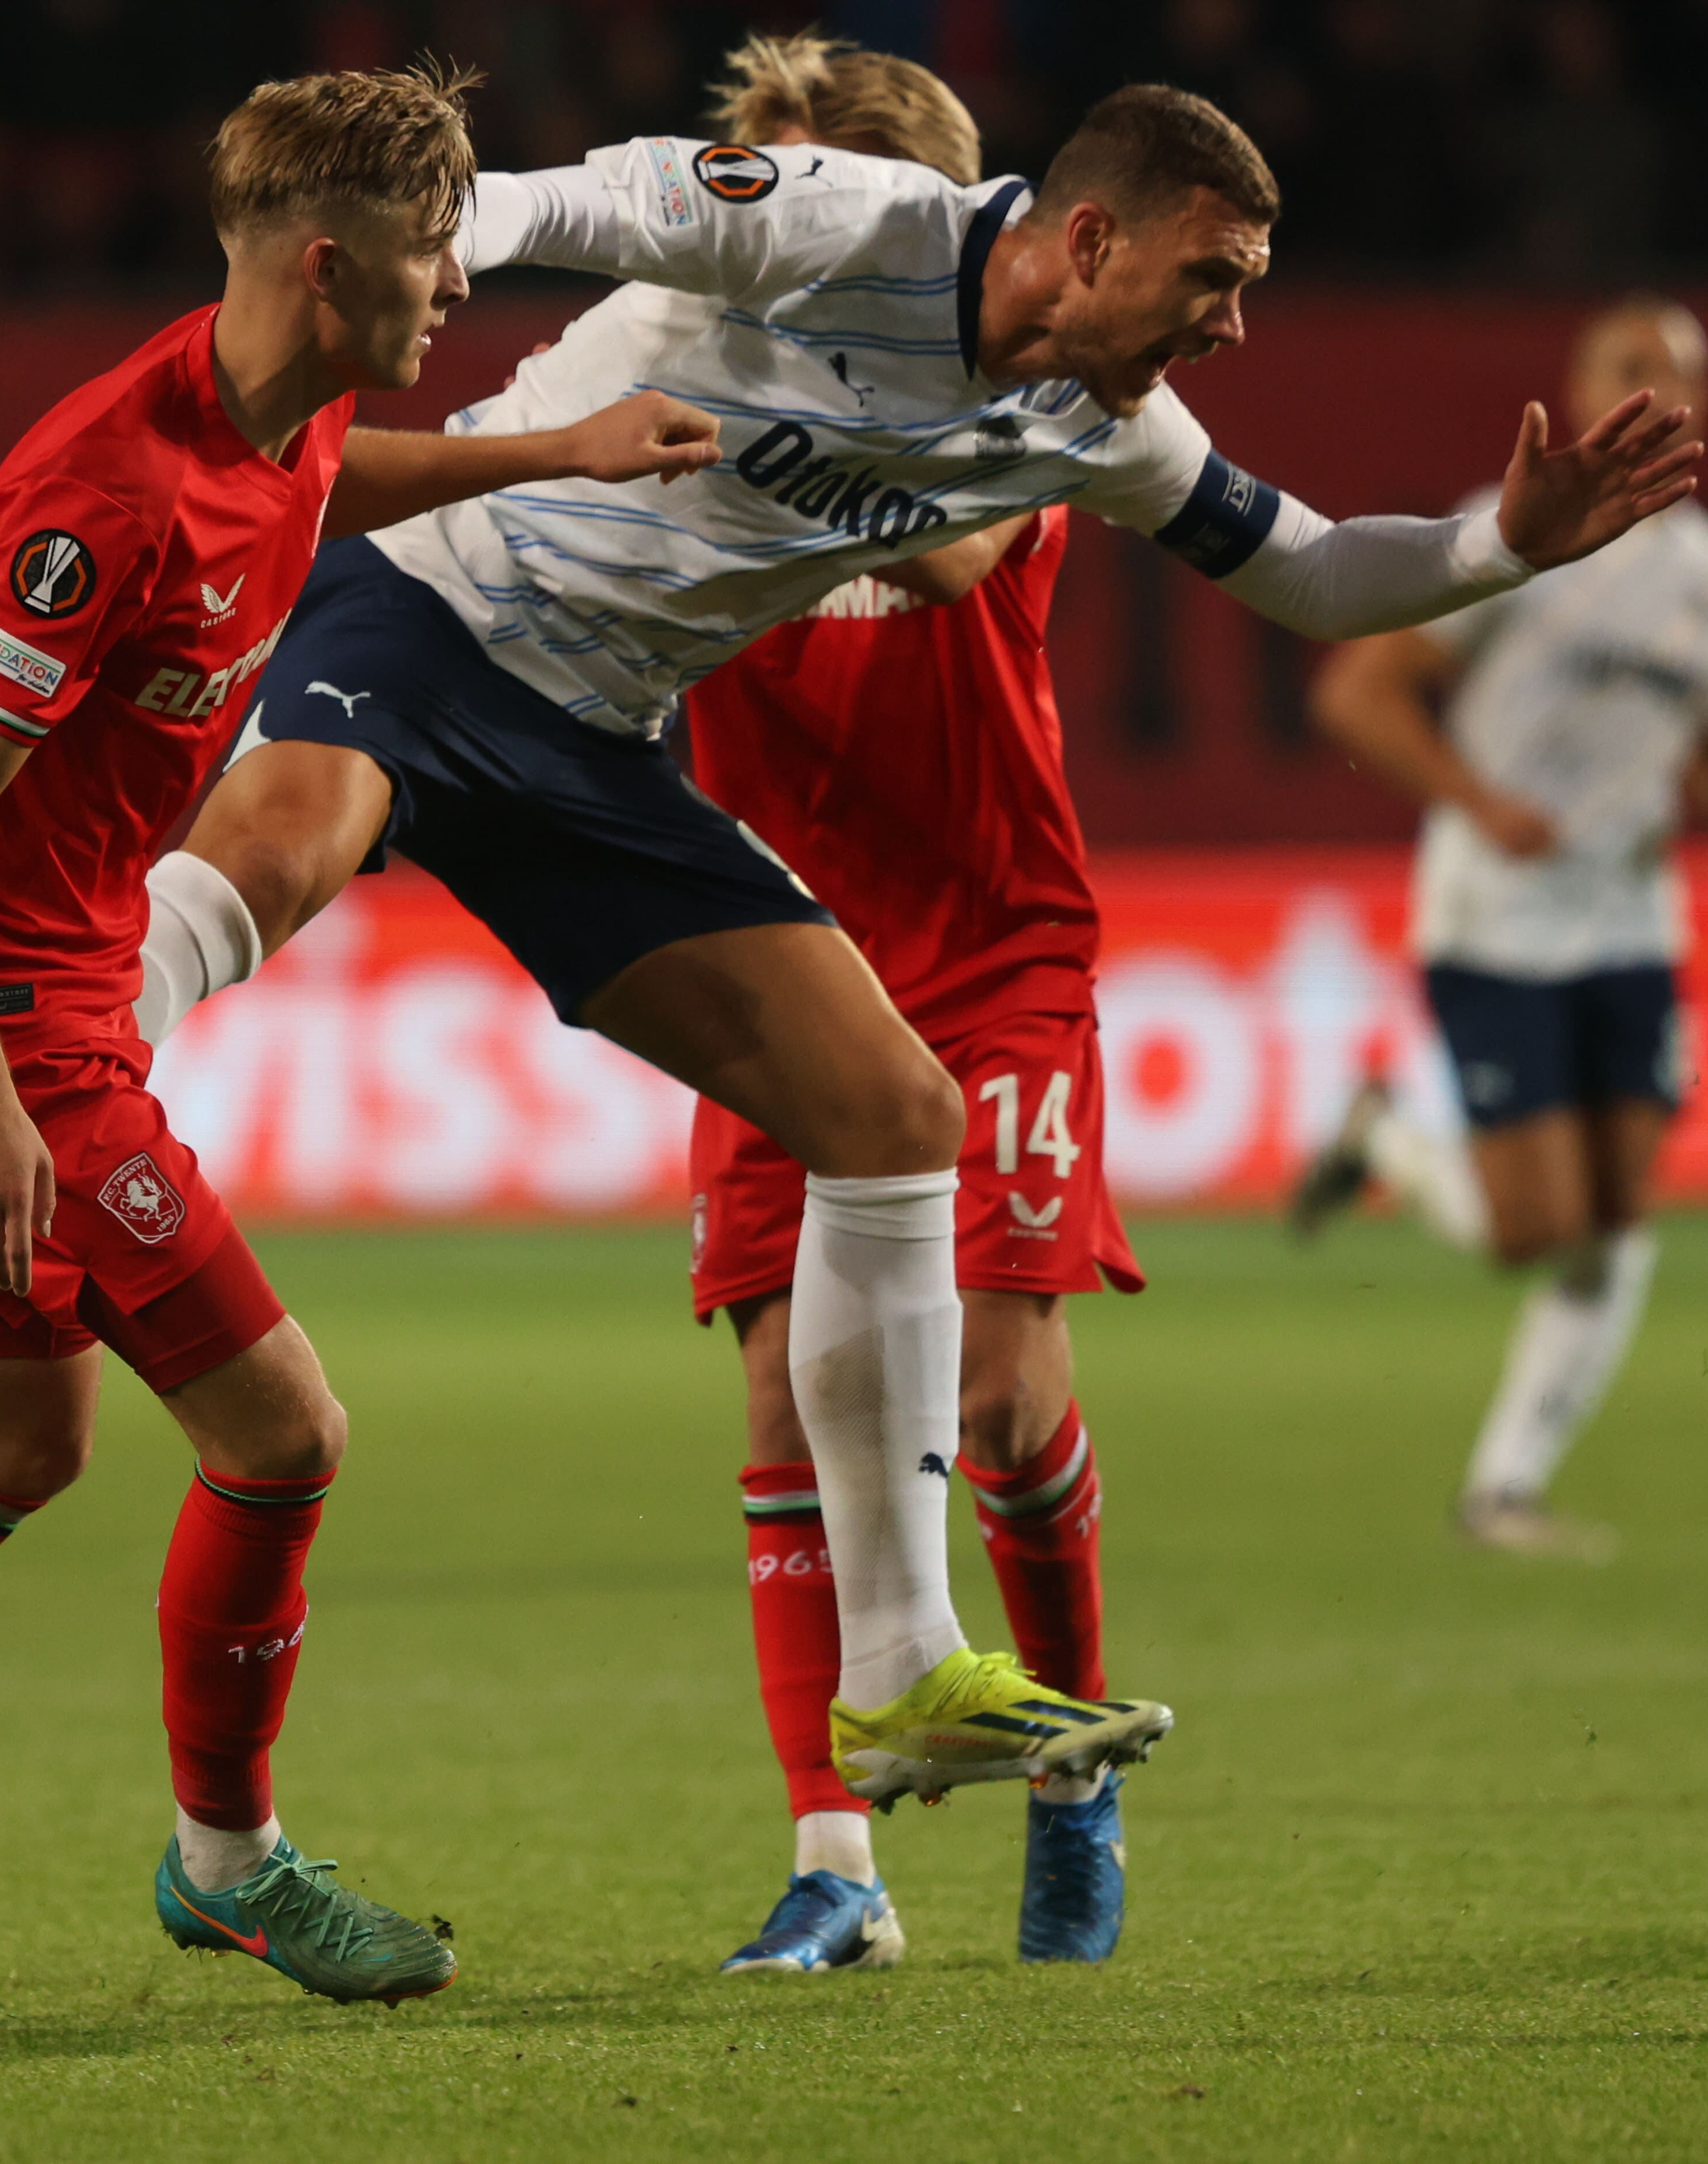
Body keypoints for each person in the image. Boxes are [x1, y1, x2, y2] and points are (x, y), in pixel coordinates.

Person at [120, 83, 1703, 1830]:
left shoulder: (1105, 425)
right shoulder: (838, 225)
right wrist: (316, 350)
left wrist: (1504, 548)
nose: (1234, 323)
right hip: (431, 599)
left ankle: (897, 1670)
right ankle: (52, 1104)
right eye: (1215, 276)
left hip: (596, 738)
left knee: (892, 1116)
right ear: (1091, 237)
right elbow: (533, 207)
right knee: (281, 846)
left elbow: (1317, 573)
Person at [0, 63, 724, 2035]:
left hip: (52, 977)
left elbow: (325, 482)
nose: (458, 280)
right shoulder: (98, 494)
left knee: (11, 1444)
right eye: (430, 255)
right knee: (284, 1432)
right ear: (322, 263)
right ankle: (228, 1866)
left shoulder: (276, 410)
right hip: (2, 1003)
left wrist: (561, 451)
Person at [662, 36, 1138, 1977]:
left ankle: (1071, 1769)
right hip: (769, 952)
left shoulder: (1032, 400)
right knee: (787, 1392)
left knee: (1000, 1402)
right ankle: (839, 1864)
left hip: (989, 945)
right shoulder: (671, 392)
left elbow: (950, 554)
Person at [1289, 297, 1708, 1561]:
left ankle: (1503, 1489)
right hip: (1494, 920)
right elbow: (1357, 693)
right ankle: (1395, 1149)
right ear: (1581, 389)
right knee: (1536, 1230)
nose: (1661, 389)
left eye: (1683, 374)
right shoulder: (1514, 536)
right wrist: (1481, 802)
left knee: (1618, 1222)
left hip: (1632, 922)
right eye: (1633, 369)